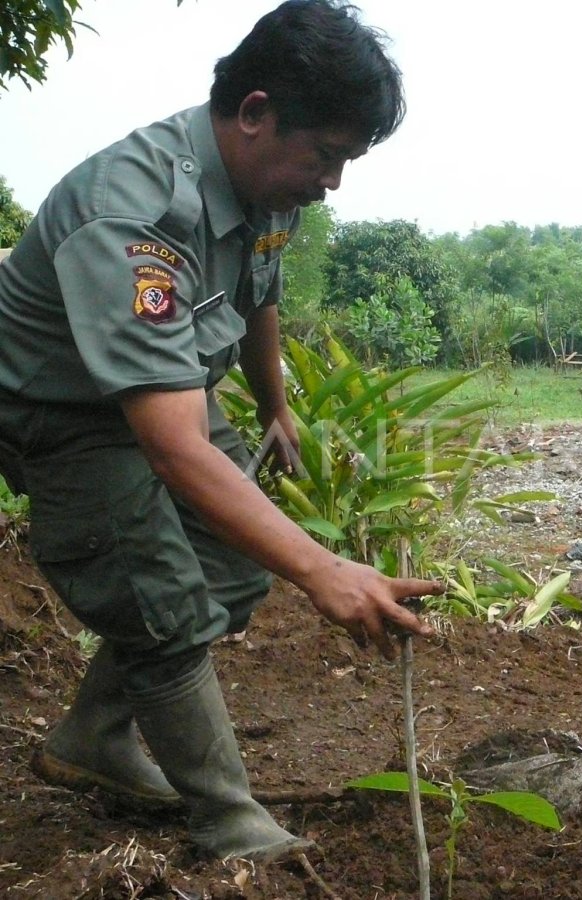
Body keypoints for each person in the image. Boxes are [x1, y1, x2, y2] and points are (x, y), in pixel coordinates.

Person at [0, 0, 442, 862]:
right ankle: (229, 821)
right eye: (328, 156)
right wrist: (325, 572)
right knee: (159, 603)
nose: (334, 182)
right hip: (69, 414)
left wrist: (274, 403)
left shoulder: (267, 186)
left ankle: (94, 734)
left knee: (235, 571)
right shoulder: (135, 214)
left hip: (166, 393)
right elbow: (169, 447)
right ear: (254, 113)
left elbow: (257, 291)